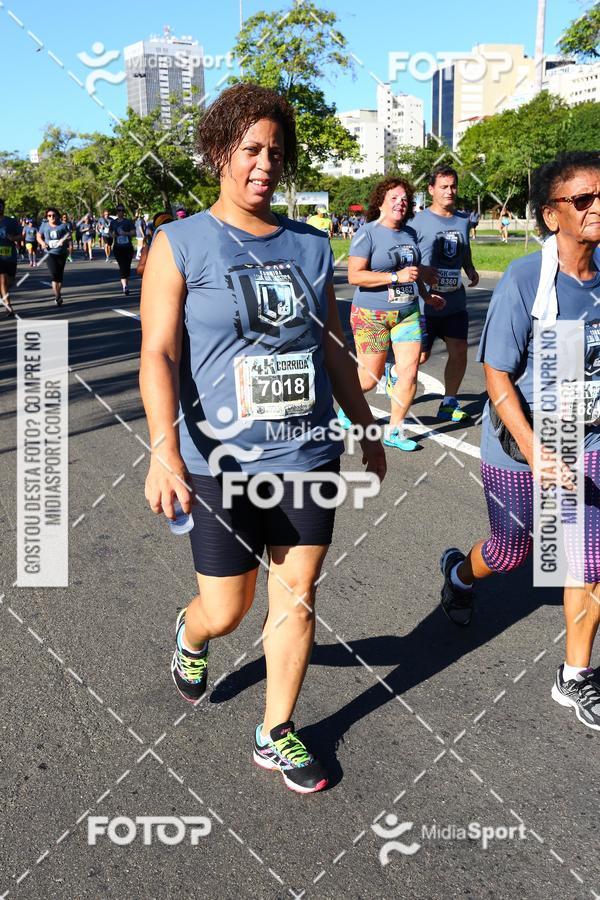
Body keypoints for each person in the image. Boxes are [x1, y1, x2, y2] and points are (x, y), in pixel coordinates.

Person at [140, 82, 385, 794]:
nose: (264, 164)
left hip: (307, 452)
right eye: (250, 148)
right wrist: (163, 448)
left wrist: (364, 426)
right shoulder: (179, 242)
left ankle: (276, 731)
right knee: (227, 608)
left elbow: (331, 343)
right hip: (219, 461)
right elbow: (158, 352)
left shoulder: (311, 245)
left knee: (299, 592)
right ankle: (191, 637)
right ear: (218, 151)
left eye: (276, 152)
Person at [439, 151, 600, 728]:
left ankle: (574, 676)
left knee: (588, 559)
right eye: (583, 199)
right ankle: (459, 575)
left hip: (586, 439)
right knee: (513, 553)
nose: (596, 208)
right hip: (520, 440)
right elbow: (498, 374)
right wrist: (535, 448)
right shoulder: (526, 278)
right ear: (552, 215)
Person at [340, 177, 445, 451]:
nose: (400, 203)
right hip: (371, 315)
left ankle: (395, 431)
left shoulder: (410, 235)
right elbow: (354, 275)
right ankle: (346, 404)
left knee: (409, 373)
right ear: (381, 203)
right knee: (368, 379)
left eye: (404, 199)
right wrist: (394, 277)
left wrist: (425, 293)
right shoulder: (368, 233)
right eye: (394, 198)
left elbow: (412, 272)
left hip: (407, 313)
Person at [414, 165, 479, 422]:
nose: (449, 191)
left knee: (460, 350)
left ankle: (449, 402)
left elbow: (464, 248)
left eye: (453, 186)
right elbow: (405, 255)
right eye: (443, 186)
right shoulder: (416, 221)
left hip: (454, 302)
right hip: (424, 303)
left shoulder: (463, 220)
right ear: (431, 190)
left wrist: (470, 269)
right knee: (420, 356)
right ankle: (393, 372)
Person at [37, 207, 71, 306]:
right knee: (54, 274)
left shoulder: (62, 226)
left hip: (61, 253)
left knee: (59, 276)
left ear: (57, 216)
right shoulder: (44, 225)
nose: (52, 217)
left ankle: (58, 294)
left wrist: (62, 240)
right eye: (49, 215)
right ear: (47, 217)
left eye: (53, 215)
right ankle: (57, 296)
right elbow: (38, 236)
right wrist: (42, 243)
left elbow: (69, 235)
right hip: (49, 253)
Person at [0, 198, 22, 316]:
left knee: (10, 281)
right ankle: (9, 307)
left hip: (10, 257)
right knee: (2, 280)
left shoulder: (11, 222)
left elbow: (21, 236)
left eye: (1, 206)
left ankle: (3, 293)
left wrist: (14, 239)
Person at [136, 211, 173, 277]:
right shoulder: (150, 244)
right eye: (164, 225)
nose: (168, 228)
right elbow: (140, 270)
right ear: (156, 229)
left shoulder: (180, 242)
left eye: (170, 224)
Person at [110, 205, 136, 295]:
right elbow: (110, 232)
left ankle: (126, 285)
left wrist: (125, 233)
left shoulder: (128, 222)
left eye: (122, 210)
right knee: (122, 266)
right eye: (119, 210)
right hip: (118, 247)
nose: (120, 212)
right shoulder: (113, 223)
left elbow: (134, 233)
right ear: (116, 212)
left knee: (127, 266)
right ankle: (125, 287)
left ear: (124, 212)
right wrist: (113, 234)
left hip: (128, 247)